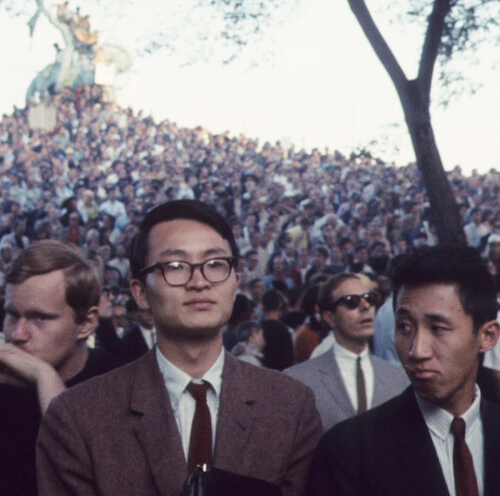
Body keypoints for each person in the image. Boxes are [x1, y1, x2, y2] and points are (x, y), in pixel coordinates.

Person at [37, 200, 322, 496]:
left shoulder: (290, 406)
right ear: (140, 293)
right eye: (175, 266)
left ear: (235, 283)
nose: (199, 282)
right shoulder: (79, 416)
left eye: (215, 265)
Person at [307, 246, 500, 495]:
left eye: (438, 328)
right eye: (405, 327)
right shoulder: (348, 450)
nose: (417, 350)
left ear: (487, 336)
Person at [0, 240, 120, 496]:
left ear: (86, 323)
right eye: (11, 314)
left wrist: (45, 378)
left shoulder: (119, 384)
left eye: (40, 318)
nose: (17, 334)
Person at [284, 273, 407, 431]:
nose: (365, 306)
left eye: (370, 298)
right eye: (352, 301)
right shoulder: (299, 381)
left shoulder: (399, 380)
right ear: (329, 317)